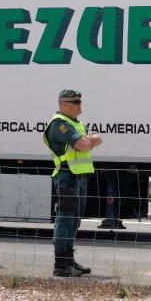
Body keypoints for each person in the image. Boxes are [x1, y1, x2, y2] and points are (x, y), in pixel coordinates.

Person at [43, 89, 103, 277]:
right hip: (67, 177)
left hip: (79, 176)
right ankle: (60, 265)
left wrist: (87, 140)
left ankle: (69, 260)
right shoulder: (59, 124)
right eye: (75, 102)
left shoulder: (76, 124)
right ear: (64, 105)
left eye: (79, 101)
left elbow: (97, 139)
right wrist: (88, 140)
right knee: (65, 220)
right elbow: (86, 145)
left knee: (74, 221)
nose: (80, 104)